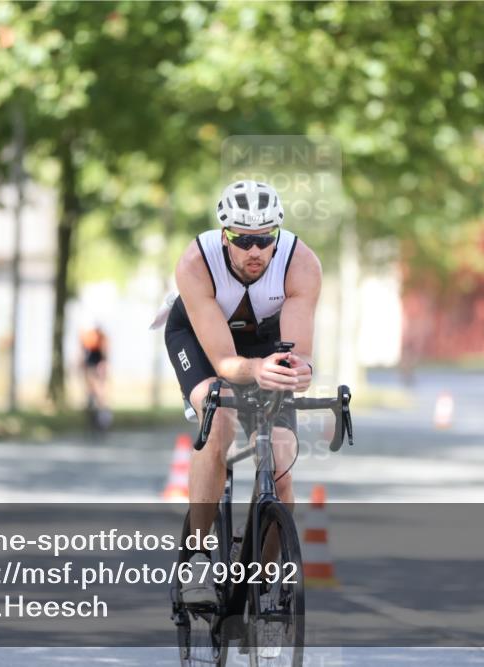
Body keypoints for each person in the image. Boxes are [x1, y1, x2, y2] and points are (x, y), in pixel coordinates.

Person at [162, 180, 321, 604]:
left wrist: (299, 372)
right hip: (202, 341)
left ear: (277, 236)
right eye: (243, 239)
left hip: (266, 342)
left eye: (264, 239)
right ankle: (197, 557)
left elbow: (298, 353)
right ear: (223, 236)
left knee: (283, 461)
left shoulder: (301, 263)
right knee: (220, 420)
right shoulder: (196, 263)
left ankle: (261, 581)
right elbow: (225, 364)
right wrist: (254, 371)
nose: (255, 250)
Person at [80, 326, 111, 429]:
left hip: (94, 364)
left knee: (98, 393)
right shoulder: (93, 337)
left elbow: (103, 353)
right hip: (93, 364)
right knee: (95, 392)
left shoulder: (96, 337)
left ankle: (101, 418)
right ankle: (98, 416)